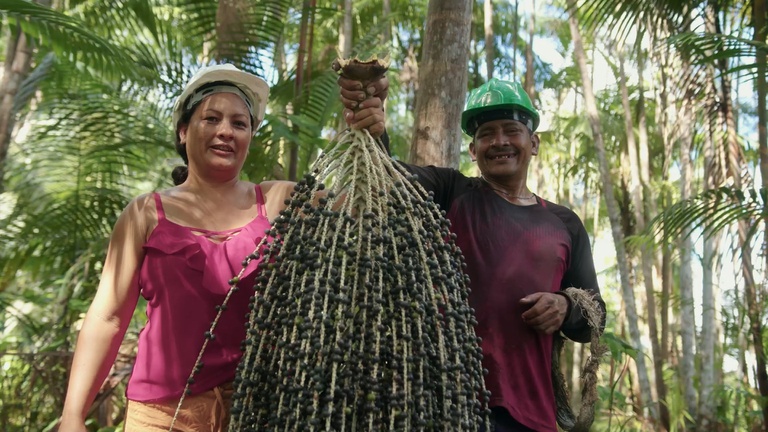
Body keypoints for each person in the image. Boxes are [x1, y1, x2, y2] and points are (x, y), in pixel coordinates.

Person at [339, 76, 606, 432]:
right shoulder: (451, 192)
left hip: (531, 410)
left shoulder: (564, 223)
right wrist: (374, 122)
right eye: (485, 134)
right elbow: (387, 179)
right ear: (473, 150)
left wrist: (566, 306)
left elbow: (596, 317)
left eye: (511, 130)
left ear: (534, 143)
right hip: (447, 403)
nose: (499, 142)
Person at [59, 64, 302, 431]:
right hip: (161, 417)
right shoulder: (144, 214)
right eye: (212, 118)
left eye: (239, 124)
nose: (225, 131)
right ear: (184, 131)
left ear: (251, 136)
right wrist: (73, 416)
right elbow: (107, 317)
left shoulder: (278, 201)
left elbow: (364, 203)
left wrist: (369, 125)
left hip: (254, 411)